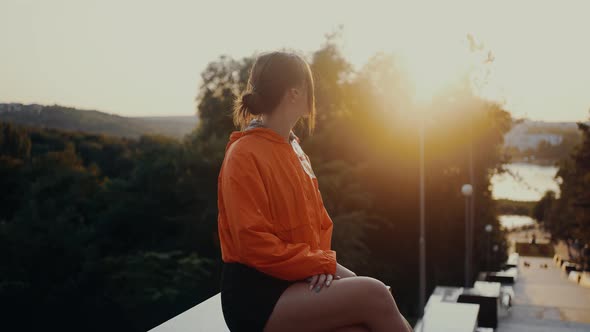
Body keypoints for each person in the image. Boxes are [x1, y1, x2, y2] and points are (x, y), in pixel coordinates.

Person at [217, 50, 412, 332]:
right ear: (294, 93)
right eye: (310, 87)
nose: (314, 96)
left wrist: (325, 268)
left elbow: (316, 228)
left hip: (295, 280)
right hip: (257, 297)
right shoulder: (243, 154)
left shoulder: (295, 150)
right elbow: (252, 244)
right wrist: (319, 265)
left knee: (368, 311)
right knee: (375, 294)